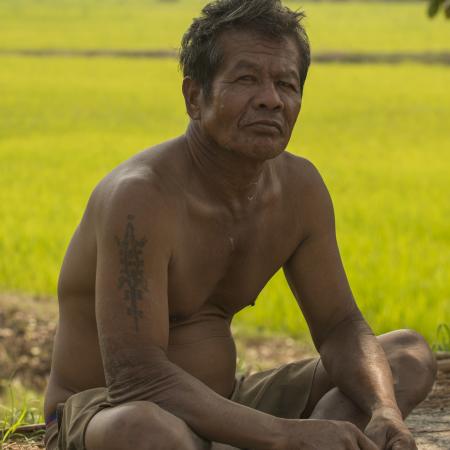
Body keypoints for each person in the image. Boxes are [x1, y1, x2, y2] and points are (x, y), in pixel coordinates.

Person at [44, 1, 436, 449]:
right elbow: (138, 378)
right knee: (150, 432)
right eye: (247, 79)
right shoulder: (142, 198)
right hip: (109, 409)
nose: (271, 98)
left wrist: (384, 409)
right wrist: (287, 435)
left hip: (223, 403)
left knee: (405, 355)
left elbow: (340, 326)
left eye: (286, 83)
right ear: (195, 97)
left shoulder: (299, 189)